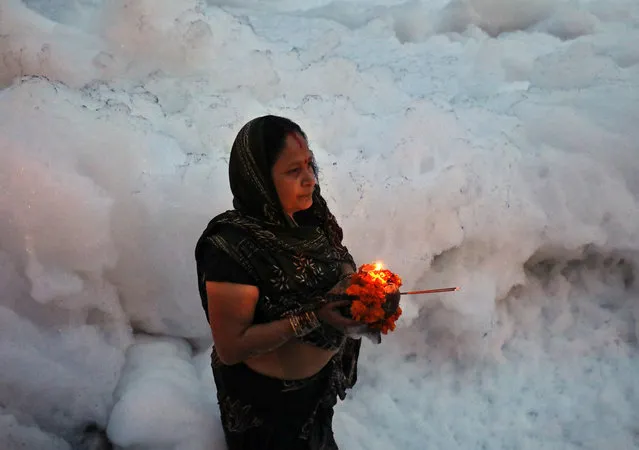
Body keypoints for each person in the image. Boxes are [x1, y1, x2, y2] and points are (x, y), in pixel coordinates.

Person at [194, 115, 370, 449]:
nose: (311, 181)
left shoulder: (308, 215)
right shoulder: (231, 248)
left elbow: (338, 256)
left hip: (316, 396)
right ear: (258, 179)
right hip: (267, 415)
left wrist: (360, 287)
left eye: (309, 165)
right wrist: (315, 317)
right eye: (293, 171)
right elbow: (232, 347)